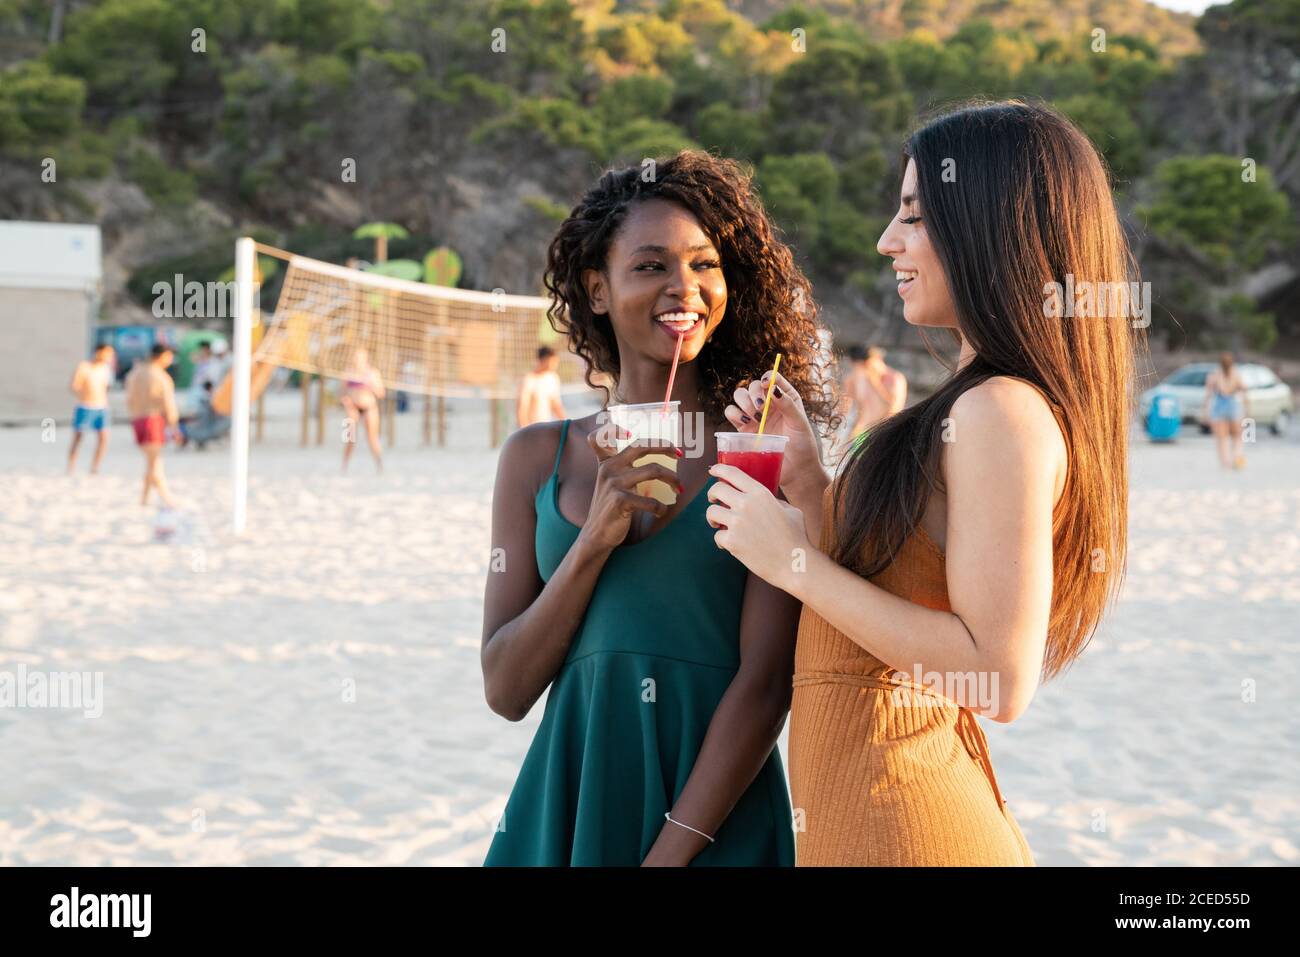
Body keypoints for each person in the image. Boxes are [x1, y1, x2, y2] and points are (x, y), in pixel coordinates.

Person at [706, 101, 1142, 865]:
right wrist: (810, 485)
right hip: (872, 817)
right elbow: (890, 597)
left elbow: (996, 677)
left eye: (914, 215)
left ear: (990, 226)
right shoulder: (972, 401)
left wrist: (791, 562)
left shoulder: (1000, 409)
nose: (887, 240)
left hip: (910, 825)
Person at [481, 150, 838, 866]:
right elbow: (506, 687)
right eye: (651, 265)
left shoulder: (760, 450)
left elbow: (765, 685)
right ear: (599, 289)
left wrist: (669, 855)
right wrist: (592, 545)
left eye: (705, 265)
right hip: (570, 807)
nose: (686, 286)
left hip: (716, 820)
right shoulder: (533, 458)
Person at [124, 343, 181, 508]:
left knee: (153, 462)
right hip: (152, 419)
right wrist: (174, 426)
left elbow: (129, 399)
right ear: (162, 356)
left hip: (137, 419)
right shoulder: (161, 377)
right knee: (154, 463)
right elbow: (168, 404)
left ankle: (147, 497)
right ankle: (163, 496)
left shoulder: (134, 373)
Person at [67, 344, 115, 474]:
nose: (109, 357)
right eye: (107, 353)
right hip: (85, 406)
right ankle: (71, 466)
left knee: (103, 439)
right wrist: (84, 395)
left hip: (102, 407)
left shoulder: (106, 369)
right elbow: (74, 386)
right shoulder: (84, 367)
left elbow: (106, 387)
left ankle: (95, 467)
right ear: (98, 352)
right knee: (78, 438)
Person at [846, 345, 907, 441]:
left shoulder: (894, 378)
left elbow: (894, 408)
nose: (867, 366)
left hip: (881, 432)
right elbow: (848, 405)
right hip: (860, 431)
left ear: (878, 359)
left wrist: (875, 383)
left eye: (869, 362)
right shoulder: (859, 378)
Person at [340, 347, 385, 472]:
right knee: (349, 439)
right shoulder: (348, 372)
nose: (357, 359)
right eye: (356, 356)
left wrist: (371, 385)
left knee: (372, 438)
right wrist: (345, 401)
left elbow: (381, 394)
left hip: (369, 407)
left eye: (360, 356)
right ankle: (344, 466)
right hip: (352, 408)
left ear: (365, 358)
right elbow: (341, 393)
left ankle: (379, 465)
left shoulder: (373, 373)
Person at [1204, 352, 1248, 469]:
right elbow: (1244, 391)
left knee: (1221, 439)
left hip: (1219, 407)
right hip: (1233, 406)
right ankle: (1237, 457)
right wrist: (1246, 410)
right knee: (1237, 437)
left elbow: (1208, 395)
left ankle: (1225, 463)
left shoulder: (1215, 375)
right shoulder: (1236, 375)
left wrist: (1206, 412)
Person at [515, 346, 567, 428]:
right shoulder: (528, 380)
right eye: (553, 361)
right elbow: (522, 409)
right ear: (544, 360)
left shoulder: (553, 378)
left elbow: (555, 404)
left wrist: (566, 424)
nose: (555, 364)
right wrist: (524, 430)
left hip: (544, 428)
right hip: (531, 429)